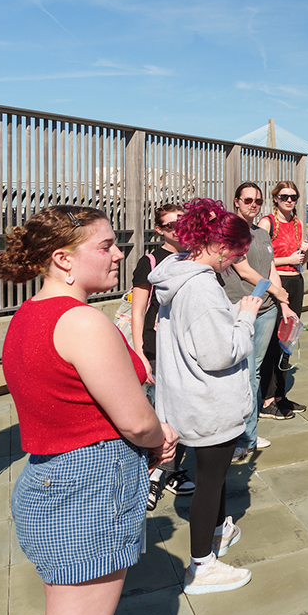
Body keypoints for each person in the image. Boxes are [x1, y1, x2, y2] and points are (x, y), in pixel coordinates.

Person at [0, 206, 177, 615]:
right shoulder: (81, 322)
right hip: (89, 490)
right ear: (63, 259)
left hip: (52, 481)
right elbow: (137, 421)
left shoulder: (28, 315)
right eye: (106, 246)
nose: (120, 255)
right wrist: (161, 439)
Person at [149, 198, 262, 594]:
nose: (233, 263)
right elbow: (220, 354)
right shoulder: (201, 286)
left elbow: (197, 336)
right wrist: (246, 315)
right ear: (217, 245)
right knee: (209, 482)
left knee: (209, 477)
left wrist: (231, 313)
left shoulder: (176, 272)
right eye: (234, 254)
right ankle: (202, 566)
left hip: (186, 398)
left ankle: (218, 534)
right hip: (208, 401)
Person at [221, 182, 296, 462]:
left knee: (253, 373)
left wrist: (284, 305)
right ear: (236, 201)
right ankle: (243, 436)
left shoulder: (262, 234)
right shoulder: (230, 232)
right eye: (248, 200)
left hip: (265, 310)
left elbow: (270, 267)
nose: (253, 205)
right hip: (240, 308)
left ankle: (248, 434)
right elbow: (243, 269)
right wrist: (275, 290)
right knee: (242, 374)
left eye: (258, 201)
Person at [130, 203, 196, 506]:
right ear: (159, 230)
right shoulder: (151, 260)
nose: (179, 229)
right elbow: (138, 309)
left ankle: (169, 470)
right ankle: (152, 473)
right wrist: (139, 352)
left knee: (182, 412)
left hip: (186, 347)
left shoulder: (195, 256)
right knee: (158, 414)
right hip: (156, 347)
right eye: (171, 225)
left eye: (183, 223)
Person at [258, 180, 308, 415]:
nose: (289, 200)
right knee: (272, 340)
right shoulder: (267, 223)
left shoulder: (298, 224)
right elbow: (260, 260)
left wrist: (302, 256)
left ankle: (281, 394)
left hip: (295, 280)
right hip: (276, 282)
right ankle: (267, 398)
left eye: (293, 197)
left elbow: (299, 262)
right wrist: (288, 260)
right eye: (284, 196)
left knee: (289, 339)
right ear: (275, 198)